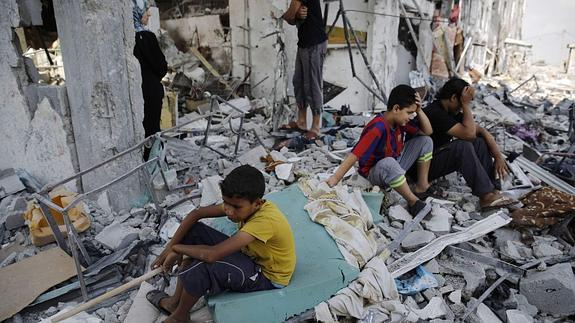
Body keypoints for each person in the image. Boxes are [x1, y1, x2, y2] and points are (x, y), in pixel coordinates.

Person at [146, 165, 296, 323]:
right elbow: (196, 214)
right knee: (193, 232)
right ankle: (174, 302)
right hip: (250, 257)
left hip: (265, 276)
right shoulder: (241, 204)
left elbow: (211, 256)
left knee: (202, 266)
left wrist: (177, 249)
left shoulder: (265, 221)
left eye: (236, 207)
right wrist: (169, 247)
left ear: (257, 204)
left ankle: (181, 316)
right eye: (226, 203)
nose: (229, 211)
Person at [327, 85, 435, 216]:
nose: (410, 117)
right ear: (396, 108)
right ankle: (413, 201)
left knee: (426, 142)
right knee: (389, 163)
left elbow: (428, 132)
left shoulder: (400, 122)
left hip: (394, 163)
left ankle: (421, 187)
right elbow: (355, 154)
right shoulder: (378, 127)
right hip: (375, 172)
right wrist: (335, 178)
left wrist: (420, 111)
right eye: (409, 112)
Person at [421, 77, 516, 210]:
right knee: (462, 146)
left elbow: (481, 131)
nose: (462, 108)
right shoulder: (435, 112)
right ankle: (485, 196)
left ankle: (492, 190)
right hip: (421, 169)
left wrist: (498, 157)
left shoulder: (450, 111)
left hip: (435, 159)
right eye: (462, 102)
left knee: (479, 142)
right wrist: (465, 105)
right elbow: (469, 134)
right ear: (454, 98)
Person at [281, 0, 328, 140]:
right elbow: (292, 17)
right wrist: (295, 15)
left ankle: (315, 127)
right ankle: (301, 122)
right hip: (304, 42)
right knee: (299, 81)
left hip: (314, 43)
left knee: (312, 84)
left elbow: (289, 17)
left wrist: (291, 14)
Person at [133, 0, 168, 160]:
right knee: (153, 130)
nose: (149, 13)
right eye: (145, 10)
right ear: (137, 12)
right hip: (150, 91)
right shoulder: (146, 37)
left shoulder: (125, 38)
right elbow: (161, 67)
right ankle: (156, 164)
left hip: (135, 92)